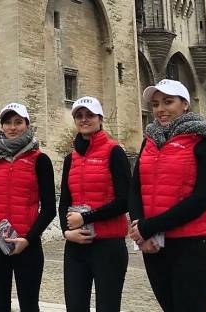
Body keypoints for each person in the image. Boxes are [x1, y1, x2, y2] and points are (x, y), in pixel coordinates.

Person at [129, 79, 206, 312]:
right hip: (156, 246)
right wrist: (140, 228)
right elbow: (135, 187)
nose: (160, 109)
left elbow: (201, 199)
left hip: (192, 246)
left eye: (168, 102)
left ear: (185, 104)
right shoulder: (149, 140)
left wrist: (148, 228)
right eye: (156, 104)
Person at [0, 102, 56, 312]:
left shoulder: (40, 160)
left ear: (27, 124)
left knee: (29, 305)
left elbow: (49, 208)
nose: (13, 127)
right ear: (1, 126)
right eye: (8, 122)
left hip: (28, 244)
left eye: (18, 122)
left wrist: (28, 239)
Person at [59, 96, 131, 312]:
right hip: (76, 245)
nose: (84, 120)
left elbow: (125, 201)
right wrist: (66, 231)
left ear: (100, 118)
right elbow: (65, 202)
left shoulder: (114, 152)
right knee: (75, 306)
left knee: (107, 306)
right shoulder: (70, 159)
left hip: (108, 245)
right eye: (79, 116)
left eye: (89, 115)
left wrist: (86, 218)